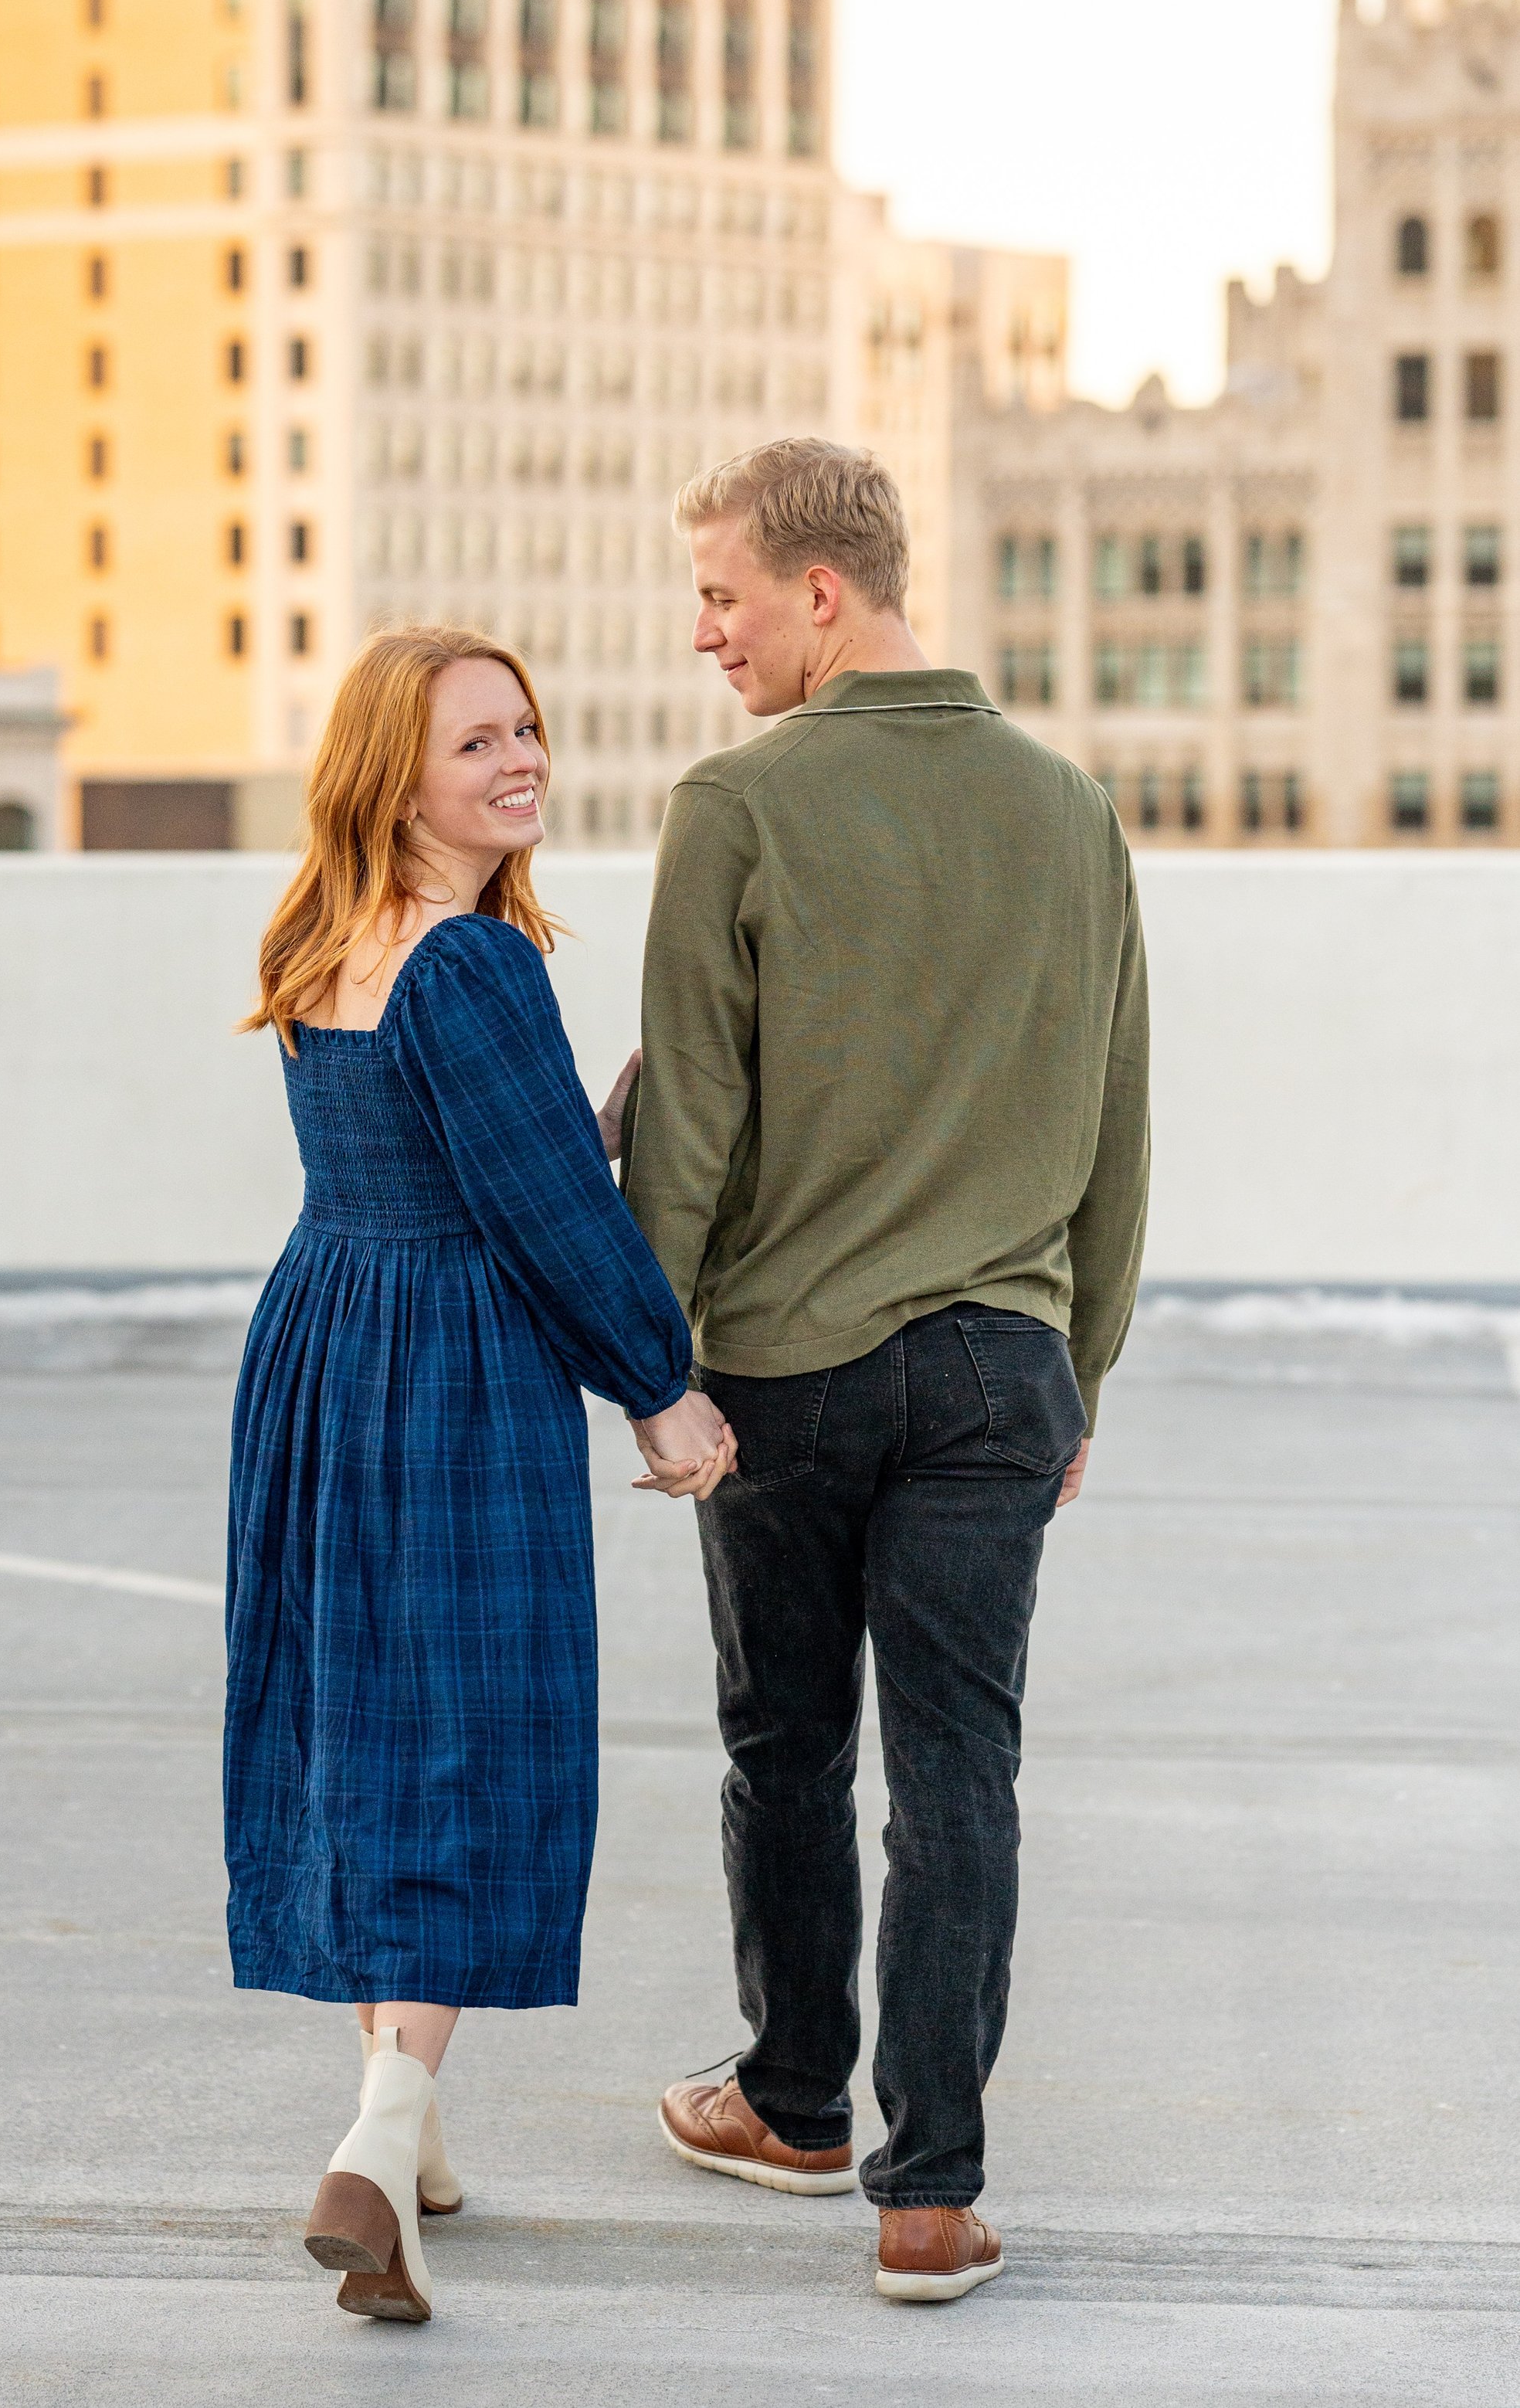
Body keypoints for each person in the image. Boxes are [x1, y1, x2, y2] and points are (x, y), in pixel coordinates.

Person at [624, 439, 1149, 2304]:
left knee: (783, 1742)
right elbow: (1114, 1122)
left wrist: (651, 1364)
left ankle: (790, 2103)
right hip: (1003, 1368)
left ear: (819, 594)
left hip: (785, 1371)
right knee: (958, 1776)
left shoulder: (735, 805)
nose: (704, 634)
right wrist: (1072, 1364)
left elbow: (684, 1124)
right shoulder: (1070, 806)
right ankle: (928, 2195)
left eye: (722, 596)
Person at [226, 623, 735, 2328]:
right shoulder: (472, 966)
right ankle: (372, 2145)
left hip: (324, 1339)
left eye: (525, 727)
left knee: (361, 1715)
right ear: (397, 772)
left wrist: (567, 1118)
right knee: (469, 1734)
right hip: (451, 1369)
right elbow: (537, 1222)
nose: (517, 760)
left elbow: (440, 1151)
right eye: (473, 744)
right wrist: (658, 1389)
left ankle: (412, 2118)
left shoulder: (317, 938)